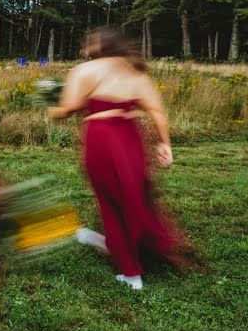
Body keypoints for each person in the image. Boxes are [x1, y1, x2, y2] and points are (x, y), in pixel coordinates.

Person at [49, 26, 187, 291]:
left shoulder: (84, 70)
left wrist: (49, 105)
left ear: (96, 46)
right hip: (131, 138)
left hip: (102, 139)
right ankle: (127, 247)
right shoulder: (134, 70)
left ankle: (131, 273)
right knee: (134, 195)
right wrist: (165, 143)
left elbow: (66, 109)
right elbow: (157, 111)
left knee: (110, 201)